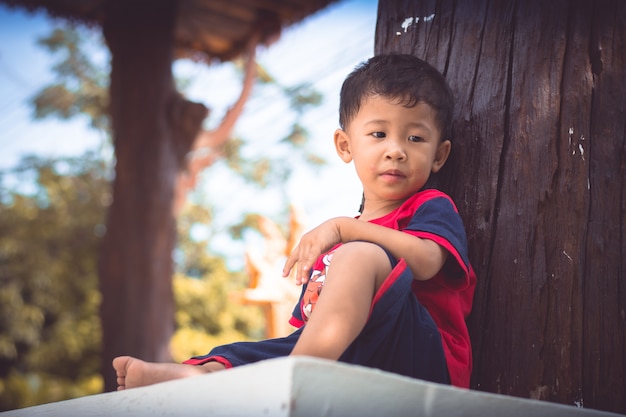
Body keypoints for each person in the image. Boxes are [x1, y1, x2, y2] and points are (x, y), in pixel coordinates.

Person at [113, 53, 476, 391]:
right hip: (355, 355)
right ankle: (195, 377)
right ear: (346, 145)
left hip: (424, 357)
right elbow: (313, 324)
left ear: (438, 155)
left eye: (415, 138)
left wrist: (344, 229)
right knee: (250, 351)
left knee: (360, 256)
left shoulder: (428, 206)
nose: (395, 149)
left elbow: (429, 262)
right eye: (378, 134)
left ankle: (294, 377)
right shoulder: (340, 245)